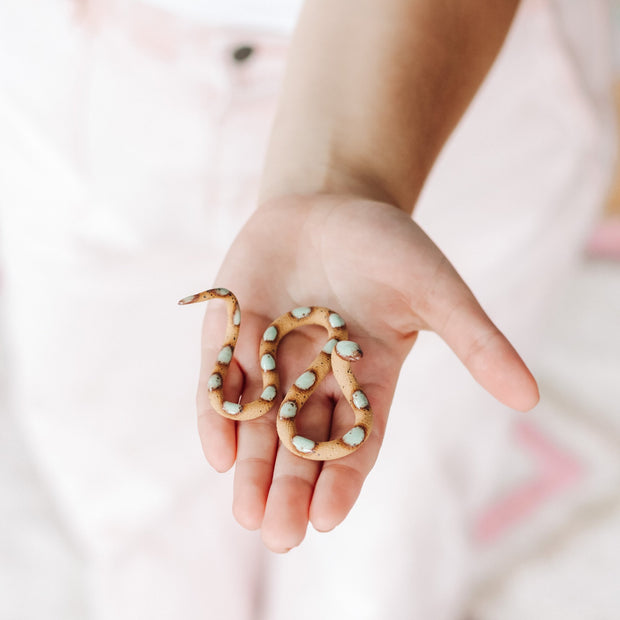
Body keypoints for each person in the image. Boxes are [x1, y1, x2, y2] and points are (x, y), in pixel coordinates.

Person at [0, 0, 615, 618]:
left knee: (388, 535)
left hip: (449, 81)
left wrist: (343, 178)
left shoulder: (341, 359)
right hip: (76, 76)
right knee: (134, 497)